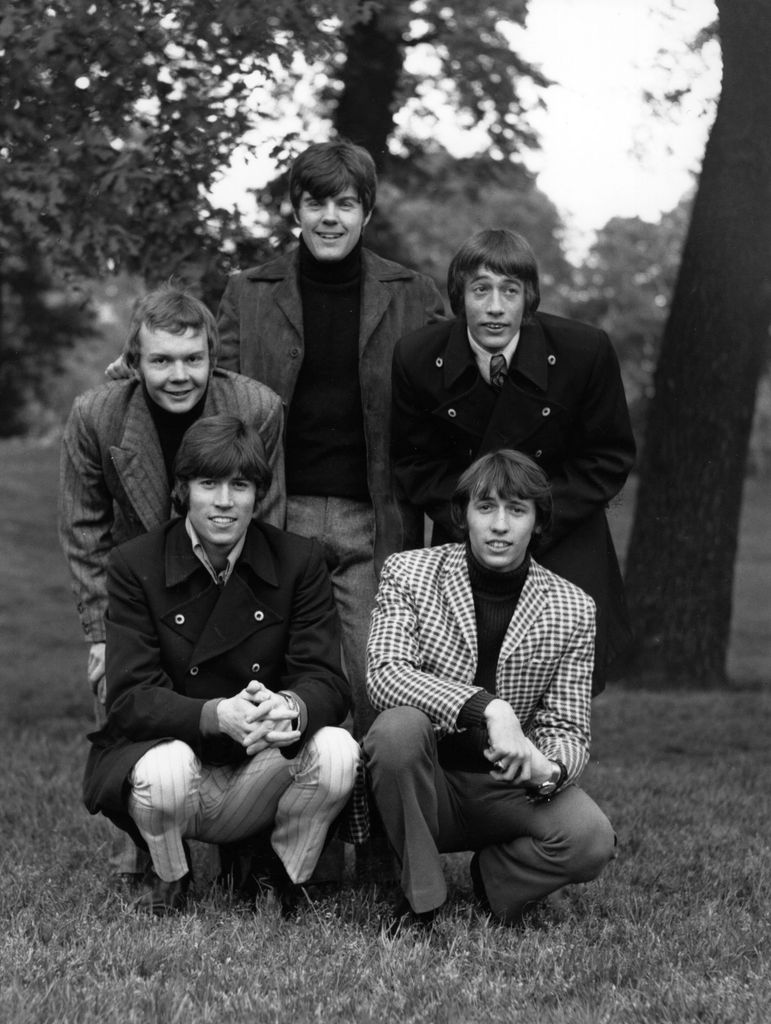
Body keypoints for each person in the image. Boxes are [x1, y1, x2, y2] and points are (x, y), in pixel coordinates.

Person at [82, 415, 359, 915]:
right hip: (176, 762)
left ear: (259, 493)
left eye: (241, 485)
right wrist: (214, 715)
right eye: (208, 484)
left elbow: (327, 682)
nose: (225, 501)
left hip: (259, 762)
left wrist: (288, 707)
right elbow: (129, 699)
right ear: (184, 490)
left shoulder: (300, 561)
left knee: (338, 750)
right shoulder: (134, 564)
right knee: (164, 771)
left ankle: (280, 875)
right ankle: (171, 876)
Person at [216, 138, 445, 737]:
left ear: (366, 212)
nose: (329, 218)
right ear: (295, 208)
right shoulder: (249, 292)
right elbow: (211, 399)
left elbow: (457, 394)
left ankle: (372, 828)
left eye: (345, 204)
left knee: (377, 677)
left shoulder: (413, 296)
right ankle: (283, 825)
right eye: (315, 203)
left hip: (371, 520)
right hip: (274, 514)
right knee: (274, 675)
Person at [59, 284, 285, 881]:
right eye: (161, 361)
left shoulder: (256, 408)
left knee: (242, 707)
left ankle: (247, 841)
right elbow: (85, 530)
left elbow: (267, 523)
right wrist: (99, 632)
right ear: (135, 361)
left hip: (230, 586)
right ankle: (146, 855)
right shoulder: (97, 416)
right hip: (139, 590)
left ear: (214, 356)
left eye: (192, 359)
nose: (178, 375)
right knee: (135, 714)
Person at [363, 450, 616, 931]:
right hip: (424, 781)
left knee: (591, 839)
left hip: (507, 790)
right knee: (396, 728)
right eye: (486, 508)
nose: (500, 525)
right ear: (464, 516)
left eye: (516, 510)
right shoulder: (409, 572)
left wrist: (550, 767)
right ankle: (421, 901)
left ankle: (494, 881)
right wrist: (487, 707)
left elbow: (568, 728)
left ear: (537, 521)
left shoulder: (573, 607)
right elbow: (385, 674)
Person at [391, 229, 636, 694]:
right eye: (481, 289)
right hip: (466, 537)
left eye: (510, 290)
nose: (496, 307)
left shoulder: (584, 352)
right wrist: (476, 520)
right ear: (460, 297)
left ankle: (551, 767)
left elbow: (609, 456)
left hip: (559, 532)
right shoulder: (418, 358)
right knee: (460, 682)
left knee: (560, 690)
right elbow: (413, 463)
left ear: (530, 298)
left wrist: (533, 518)